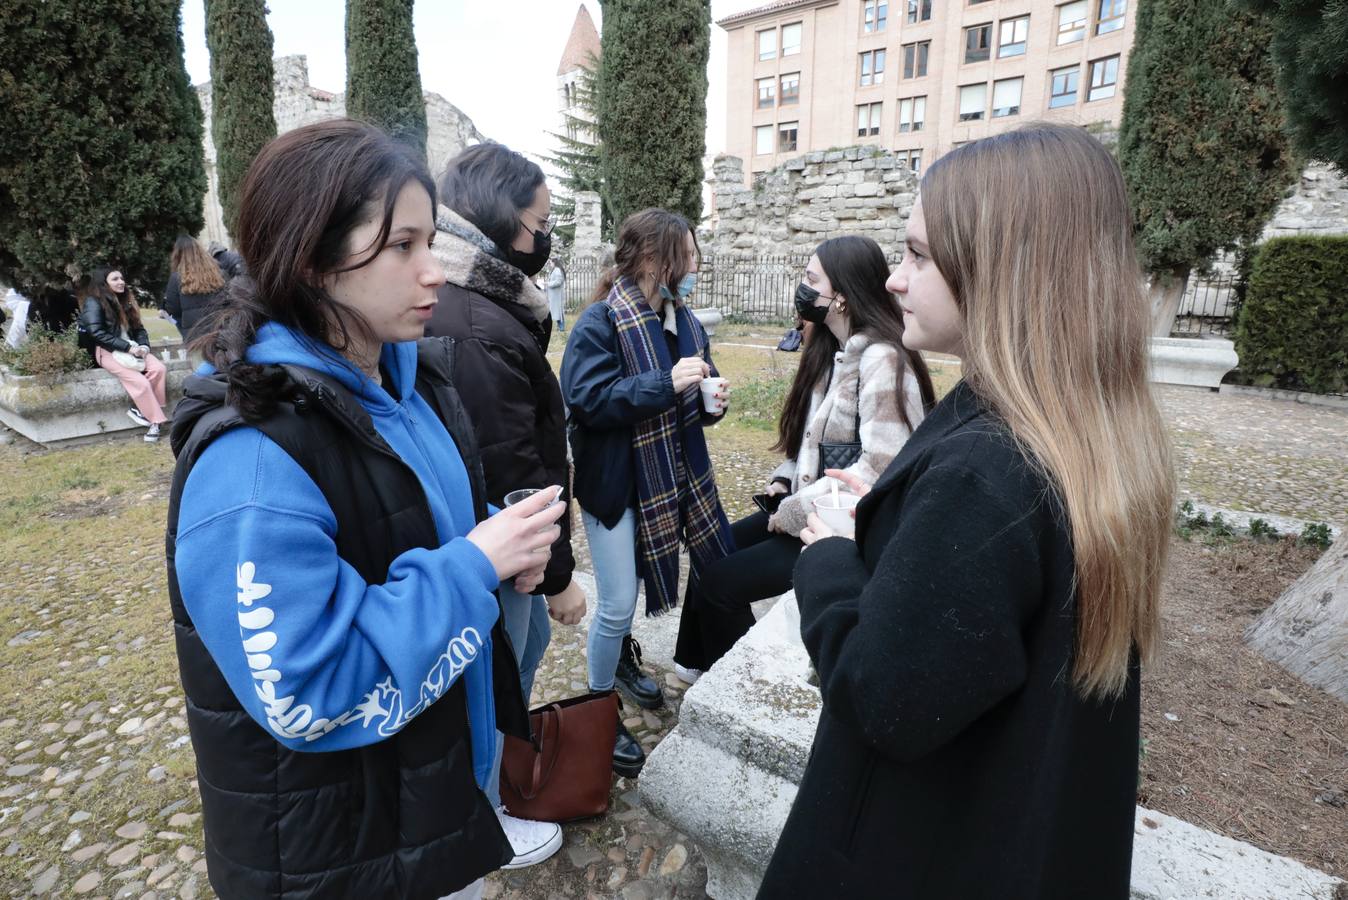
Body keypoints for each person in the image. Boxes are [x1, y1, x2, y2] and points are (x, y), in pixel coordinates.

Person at [756, 124, 1175, 898]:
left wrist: (830, 556)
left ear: (1001, 267)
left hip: (911, 849)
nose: (895, 281)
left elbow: (886, 698)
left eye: (916, 255)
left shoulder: (988, 470)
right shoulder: (1092, 431)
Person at [167, 118, 566, 900]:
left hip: (433, 799)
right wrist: (472, 566)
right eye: (402, 247)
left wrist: (501, 542)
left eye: (431, 242)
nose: (437, 273)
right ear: (313, 259)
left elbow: (405, 515)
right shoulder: (251, 461)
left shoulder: (411, 382)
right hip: (348, 851)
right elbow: (308, 688)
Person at [426, 141, 583, 867]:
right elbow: (511, 464)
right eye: (540, 220)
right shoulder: (476, 323)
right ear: (500, 220)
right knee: (497, 679)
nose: (545, 237)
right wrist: (554, 574)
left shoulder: (485, 301)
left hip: (502, 540)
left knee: (520, 660)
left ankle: (491, 788)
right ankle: (484, 813)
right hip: (501, 547)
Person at [695, 236, 935, 672]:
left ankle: (743, 677)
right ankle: (695, 661)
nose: (801, 290)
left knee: (720, 583)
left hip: (845, 530)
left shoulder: (883, 361)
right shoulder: (831, 352)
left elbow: (880, 469)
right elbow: (812, 443)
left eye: (811, 280)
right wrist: (786, 478)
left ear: (841, 296)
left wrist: (794, 510)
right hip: (807, 507)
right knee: (711, 547)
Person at [560, 208, 733, 777]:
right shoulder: (600, 323)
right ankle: (596, 703)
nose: (696, 266)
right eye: (687, 255)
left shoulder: (685, 322)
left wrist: (710, 403)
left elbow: (687, 399)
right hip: (615, 485)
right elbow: (587, 401)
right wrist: (666, 382)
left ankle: (622, 663)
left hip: (668, 483)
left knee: (631, 591)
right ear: (655, 260)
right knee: (614, 604)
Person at [79, 267, 169, 441]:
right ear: (103, 283)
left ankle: (140, 409)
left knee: (159, 369)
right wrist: (127, 348)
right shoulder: (93, 302)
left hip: (133, 348)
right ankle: (155, 423)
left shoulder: (126, 300)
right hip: (107, 351)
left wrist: (143, 346)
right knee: (141, 383)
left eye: (121, 278)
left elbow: (139, 328)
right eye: (115, 279)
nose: (121, 282)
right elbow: (96, 333)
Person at [163, 235, 227, 342]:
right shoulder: (219, 273)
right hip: (221, 333)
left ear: (177, 255)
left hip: (195, 338)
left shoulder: (176, 278)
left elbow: (172, 309)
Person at [545, 260, 566, 333]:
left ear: (554, 262)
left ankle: (561, 328)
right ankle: (560, 327)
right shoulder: (556, 270)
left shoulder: (557, 270)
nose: (550, 264)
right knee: (556, 312)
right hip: (555, 295)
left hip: (556, 295)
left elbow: (558, 281)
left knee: (558, 312)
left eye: (550, 263)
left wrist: (548, 284)